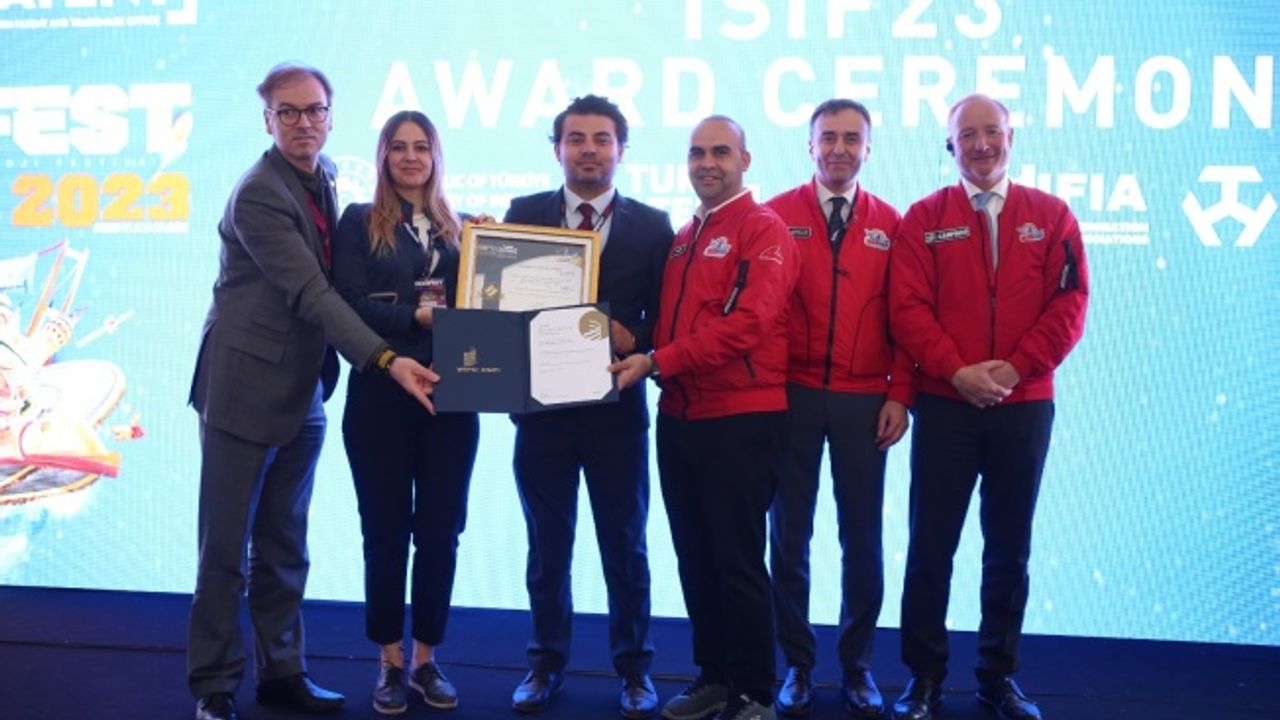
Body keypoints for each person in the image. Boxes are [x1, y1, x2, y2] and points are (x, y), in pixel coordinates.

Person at [187, 63, 439, 720]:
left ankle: (282, 673)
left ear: (330, 116)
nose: (305, 122)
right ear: (267, 119)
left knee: (284, 545)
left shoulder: (322, 176)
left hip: (303, 392)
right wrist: (385, 358)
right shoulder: (258, 194)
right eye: (289, 111)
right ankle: (214, 686)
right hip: (243, 389)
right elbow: (310, 292)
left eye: (315, 110)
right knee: (226, 550)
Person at [888, 93, 1089, 720]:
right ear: (950, 145)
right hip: (945, 406)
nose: (980, 144)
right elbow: (907, 309)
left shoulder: (1052, 215)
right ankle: (923, 679)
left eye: (991, 131)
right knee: (930, 547)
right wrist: (956, 371)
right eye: (967, 135)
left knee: (1009, 549)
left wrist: (1016, 367)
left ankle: (997, 678)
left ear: (1011, 136)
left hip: (1023, 406)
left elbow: (1070, 304)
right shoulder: (924, 218)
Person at [612, 115, 799, 720]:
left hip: (741, 419)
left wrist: (657, 359)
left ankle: (754, 691)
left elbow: (749, 324)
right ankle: (714, 675)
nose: (707, 163)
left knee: (737, 561)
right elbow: (667, 324)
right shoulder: (686, 235)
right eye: (697, 153)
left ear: (745, 160)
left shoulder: (764, 230)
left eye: (720, 151)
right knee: (695, 556)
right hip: (680, 416)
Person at [503, 94, 672, 717]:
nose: (589, 150)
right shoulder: (523, 214)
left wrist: (635, 336)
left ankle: (635, 670)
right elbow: (499, 305)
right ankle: (545, 663)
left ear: (621, 150)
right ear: (557, 149)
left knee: (625, 548)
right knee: (547, 548)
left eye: (602, 139)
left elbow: (668, 319)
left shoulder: (653, 226)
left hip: (616, 417)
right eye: (576, 139)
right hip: (541, 414)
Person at [762, 98, 912, 719]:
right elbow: (762, 313)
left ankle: (857, 665)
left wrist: (900, 394)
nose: (840, 148)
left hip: (863, 400)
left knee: (863, 538)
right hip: (792, 397)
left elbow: (906, 319)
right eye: (829, 137)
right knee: (788, 536)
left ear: (868, 149)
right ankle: (797, 664)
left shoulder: (893, 224)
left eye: (852, 138)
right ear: (810, 146)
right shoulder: (775, 216)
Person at [331, 110, 481, 715]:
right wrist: (413, 317)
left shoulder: (465, 230)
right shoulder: (358, 221)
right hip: (380, 397)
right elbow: (346, 303)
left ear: (436, 156)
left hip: (451, 399)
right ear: (383, 156)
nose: (411, 157)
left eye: (422, 146)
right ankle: (390, 661)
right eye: (399, 147)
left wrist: (495, 253)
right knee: (385, 531)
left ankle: (425, 659)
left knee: (442, 532)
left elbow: (486, 306)